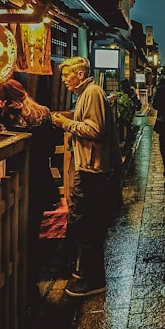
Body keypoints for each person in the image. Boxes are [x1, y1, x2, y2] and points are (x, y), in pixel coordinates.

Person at [50, 56, 121, 297]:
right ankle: (87, 274)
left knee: (86, 222)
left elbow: (95, 129)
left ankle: (92, 278)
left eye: (67, 75)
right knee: (87, 222)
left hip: (93, 168)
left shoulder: (91, 93)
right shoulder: (88, 93)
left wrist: (65, 123)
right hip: (91, 167)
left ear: (79, 75)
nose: (64, 80)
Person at [0, 78, 60, 211]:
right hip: (42, 175)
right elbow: (51, 145)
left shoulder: (3, 114)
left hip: (17, 174)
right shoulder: (43, 112)